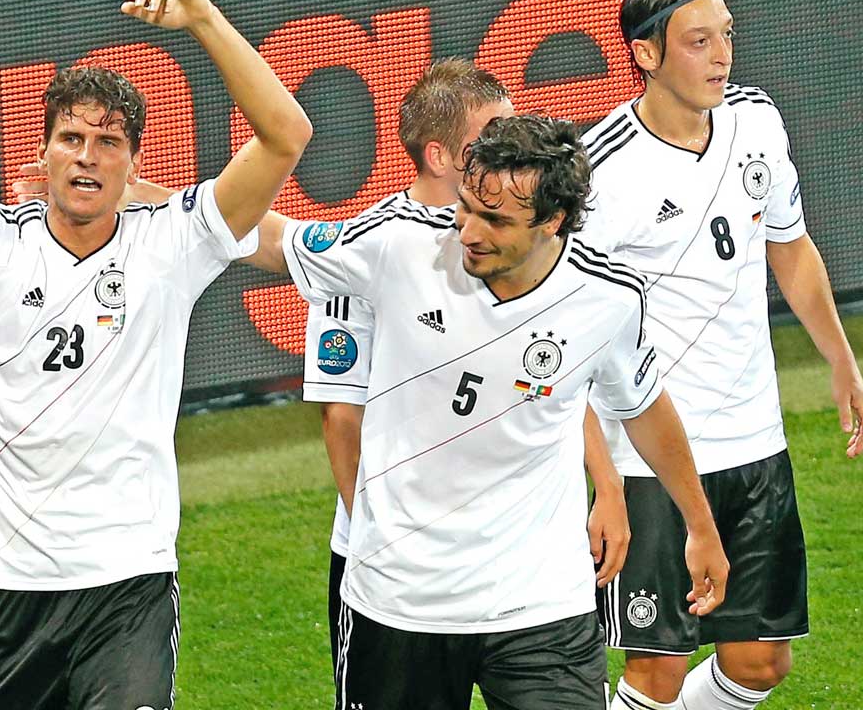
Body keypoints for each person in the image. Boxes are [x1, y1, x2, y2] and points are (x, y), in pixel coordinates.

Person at [0, 0, 311, 709]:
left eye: (108, 141)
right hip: (4, 586)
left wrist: (200, 17)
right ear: (43, 154)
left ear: (133, 164)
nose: (88, 155)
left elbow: (287, 134)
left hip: (126, 585)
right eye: (70, 137)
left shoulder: (175, 242)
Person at [257, 113, 728, 709]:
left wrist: (700, 525)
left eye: (496, 220)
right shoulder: (400, 244)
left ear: (554, 221)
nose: (468, 232)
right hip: (402, 603)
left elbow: (643, 408)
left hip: (542, 606)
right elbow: (268, 237)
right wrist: (144, 203)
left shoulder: (607, 298)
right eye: (465, 207)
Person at [579, 0, 863, 710]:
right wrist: (604, 482)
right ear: (646, 54)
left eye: (726, 37)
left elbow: (790, 245)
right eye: (698, 42)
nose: (722, 56)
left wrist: (841, 357)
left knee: (761, 662)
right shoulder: (598, 173)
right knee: (656, 673)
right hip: (648, 455)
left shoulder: (757, 121)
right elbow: (563, 331)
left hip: (754, 437)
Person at [295, 59, 632, 681]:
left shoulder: (527, 240)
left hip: (520, 583)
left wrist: (605, 481)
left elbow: (549, 379)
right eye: (494, 133)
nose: (514, 144)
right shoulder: (373, 250)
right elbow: (343, 418)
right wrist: (391, 545)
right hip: (393, 570)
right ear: (442, 156)